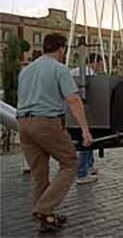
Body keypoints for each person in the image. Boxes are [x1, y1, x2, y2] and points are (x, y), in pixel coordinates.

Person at [17, 33, 93, 231]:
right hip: (47, 123)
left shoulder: (26, 70)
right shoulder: (59, 69)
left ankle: (46, 220)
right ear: (61, 49)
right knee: (70, 163)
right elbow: (74, 101)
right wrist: (85, 130)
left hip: (23, 124)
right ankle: (43, 208)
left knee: (39, 173)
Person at [70, 54, 101, 184]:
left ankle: (89, 165)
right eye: (99, 64)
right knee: (86, 141)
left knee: (87, 139)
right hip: (86, 111)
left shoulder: (73, 72)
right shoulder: (91, 75)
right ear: (94, 62)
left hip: (71, 111)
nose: (99, 67)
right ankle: (82, 173)